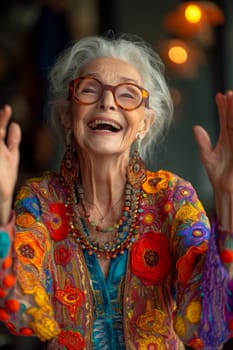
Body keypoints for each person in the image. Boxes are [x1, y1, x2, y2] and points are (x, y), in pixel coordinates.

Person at [0, 33, 233, 350]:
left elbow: (208, 326)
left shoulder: (172, 198)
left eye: (127, 94)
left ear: (144, 123)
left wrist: (228, 198)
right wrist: (1, 204)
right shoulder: (41, 200)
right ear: (68, 115)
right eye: (89, 90)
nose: (107, 101)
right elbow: (22, 317)